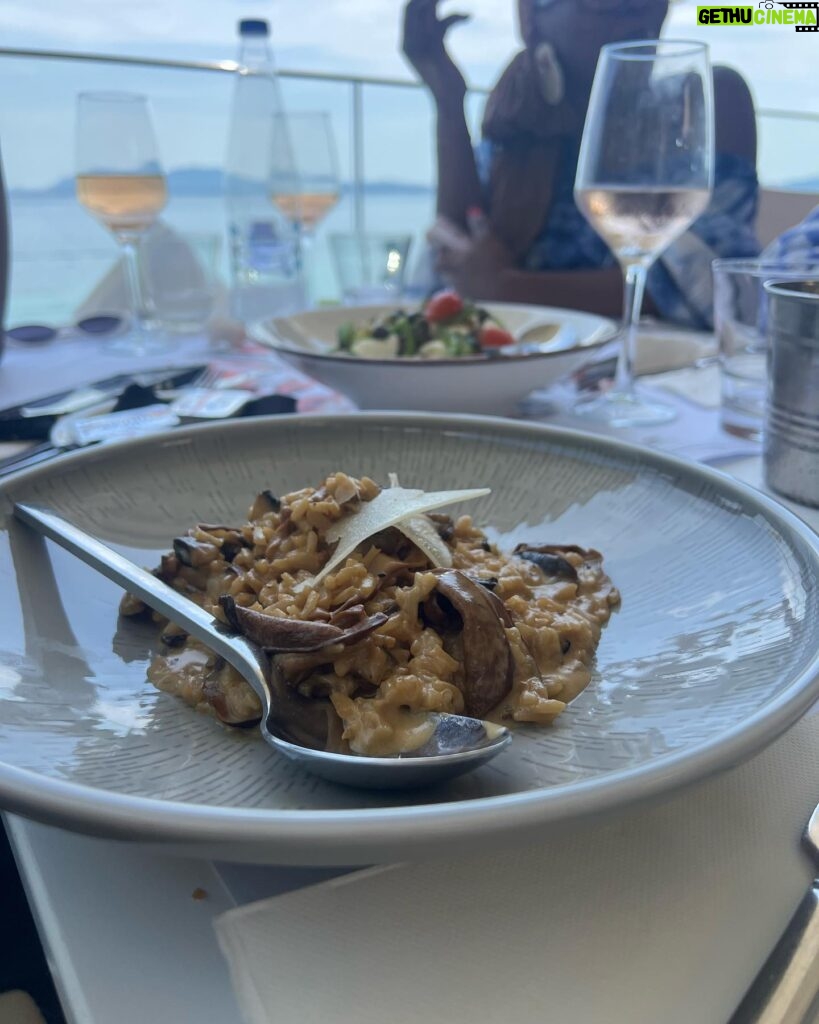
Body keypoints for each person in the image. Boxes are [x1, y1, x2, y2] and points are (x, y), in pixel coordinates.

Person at [402, 0, 760, 327]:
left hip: (665, 375)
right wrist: (448, 100)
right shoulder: (518, 121)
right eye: (610, 5)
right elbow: (459, 258)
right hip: (527, 370)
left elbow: (709, 283)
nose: (642, 12)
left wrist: (508, 287)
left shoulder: (702, 100)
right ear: (533, 15)